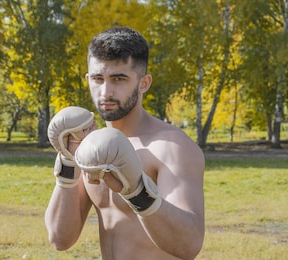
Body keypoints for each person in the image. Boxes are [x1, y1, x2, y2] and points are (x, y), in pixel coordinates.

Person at [45, 26, 205, 260]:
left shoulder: (172, 148)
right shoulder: (92, 148)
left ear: (144, 83)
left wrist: (138, 192)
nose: (106, 92)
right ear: (88, 79)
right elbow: (60, 238)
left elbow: (189, 245)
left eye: (119, 79)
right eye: (98, 79)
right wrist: (69, 161)